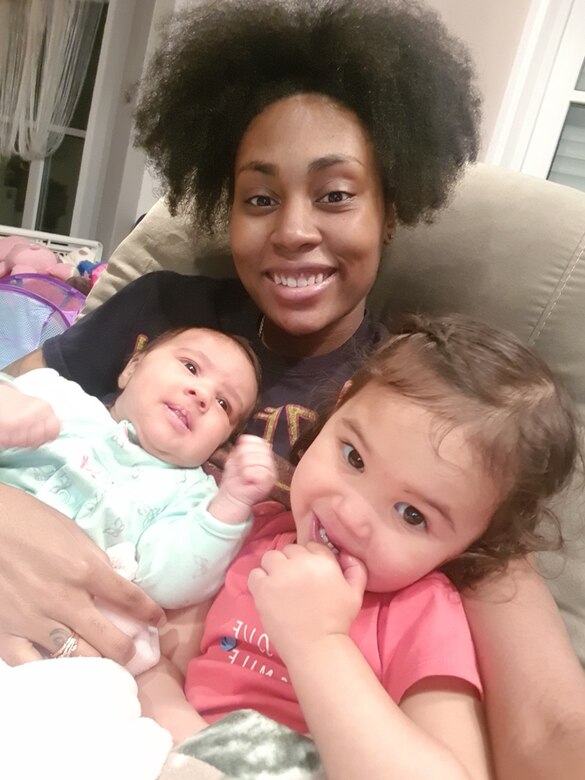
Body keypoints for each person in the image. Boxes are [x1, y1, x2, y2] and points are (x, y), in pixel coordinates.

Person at [0, 1, 584, 778]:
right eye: (259, 198)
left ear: (392, 207)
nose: (292, 231)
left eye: (336, 194)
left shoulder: (426, 406)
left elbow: (549, 728)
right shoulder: (164, 309)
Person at [136, 314, 579, 780]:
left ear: (471, 545)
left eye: (413, 515)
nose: (350, 514)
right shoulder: (252, 532)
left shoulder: (422, 611)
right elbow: (159, 659)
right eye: (354, 456)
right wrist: (190, 742)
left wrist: (319, 644)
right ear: (339, 406)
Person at [0, 327, 275, 671]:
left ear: (220, 445)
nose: (202, 394)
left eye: (224, 403)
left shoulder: (191, 496)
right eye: (190, 367)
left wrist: (232, 502)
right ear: (132, 368)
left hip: (62, 646)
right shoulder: (56, 395)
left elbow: (169, 583)